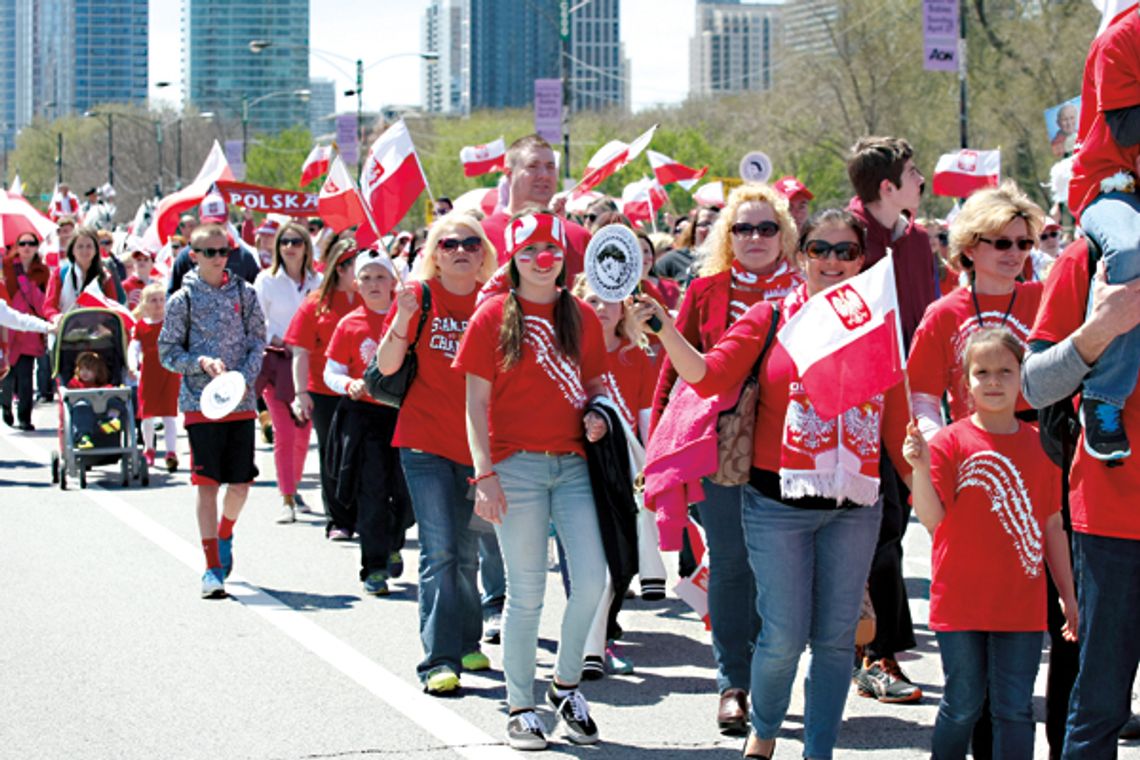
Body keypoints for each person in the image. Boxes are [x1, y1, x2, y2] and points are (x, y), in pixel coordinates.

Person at [638, 208, 912, 760]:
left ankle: (819, 751)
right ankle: (763, 737)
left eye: (846, 251)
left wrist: (933, 492)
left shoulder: (880, 321)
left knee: (835, 642)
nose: (833, 262)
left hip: (853, 507)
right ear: (801, 256)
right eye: (820, 250)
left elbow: (898, 422)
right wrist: (663, 327)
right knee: (783, 638)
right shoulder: (770, 317)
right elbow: (709, 375)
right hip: (776, 506)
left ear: (863, 260)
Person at [649, 182, 802, 736]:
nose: (755, 238)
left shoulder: (809, 289)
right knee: (733, 563)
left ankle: (771, 675)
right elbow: (675, 364)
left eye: (766, 228)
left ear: (784, 234)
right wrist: (660, 436)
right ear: (727, 236)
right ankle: (733, 683)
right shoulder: (707, 288)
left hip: (794, 448)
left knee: (778, 567)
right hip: (721, 450)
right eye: (743, 228)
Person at [454, 209, 609, 750]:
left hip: (573, 467)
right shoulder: (491, 316)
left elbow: (594, 383)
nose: (543, 261)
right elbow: (474, 403)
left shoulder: (583, 315)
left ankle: (566, 686)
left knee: (592, 581)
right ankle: (521, 705)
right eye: (529, 252)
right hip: (513, 467)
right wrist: (484, 474)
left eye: (551, 251)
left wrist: (598, 412)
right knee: (526, 593)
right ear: (514, 261)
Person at [903, 327, 1077, 760]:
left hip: (1020, 605)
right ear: (966, 382)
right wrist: (921, 468)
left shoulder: (1042, 447)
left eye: (1005, 370)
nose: (994, 381)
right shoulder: (949, 442)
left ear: (1022, 377)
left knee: (1015, 710)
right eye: (982, 372)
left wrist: (1070, 598)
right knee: (961, 706)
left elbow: (1052, 525)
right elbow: (932, 519)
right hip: (960, 603)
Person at [1022, 231, 1140, 757]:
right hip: (1114, 518)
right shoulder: (1093, 254)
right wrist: (1100, 329)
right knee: (1100, 707)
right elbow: (1036, 385)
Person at [375, 213, 497, 694]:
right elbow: (385, 366)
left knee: (467, 553)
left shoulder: (497, 302)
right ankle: (438, 660)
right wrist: (402, 317)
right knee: (440, 550)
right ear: (434, 253)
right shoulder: (419, 297)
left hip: (481, 448)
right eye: (449, 243)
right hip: (423, 443)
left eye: (471, 242)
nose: (460, 250)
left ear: (483, 251)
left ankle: (466, 639)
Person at [846, 136, 937, 703]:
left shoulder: (917, 240)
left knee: (893, 525)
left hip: (902, 403)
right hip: (849, 402)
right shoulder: (844, 239)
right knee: (874, 529)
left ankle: (874, 650)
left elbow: (924, 324)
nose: (921, 181)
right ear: (888, 186)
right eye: (913, 173)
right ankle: (872, 651)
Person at [158, 222, 267, 599]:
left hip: (241, 402)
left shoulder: (245, 292)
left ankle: (224, 535)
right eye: (210, 252)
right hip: (200, 404)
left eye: (225, 251)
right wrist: (201, 363)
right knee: (207, 485)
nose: (219, 258)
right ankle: (211, 567)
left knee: (240, 484)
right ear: (194, 256)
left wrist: (243, 377)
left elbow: (258, 341)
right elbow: (167, 352)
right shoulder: (181, 301)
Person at [1062, 7, 1140, 462]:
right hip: (1111, 182)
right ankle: (1104, 397)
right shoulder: (1121, 38)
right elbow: (1127, 127)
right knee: (1131, 249)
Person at [908, 183, 1046, 437]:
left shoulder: (1046, 299)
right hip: (973, 450)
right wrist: (939, 447)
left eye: (1024, 243)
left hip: (1044, 450)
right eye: (1002, 243)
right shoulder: (942, 314)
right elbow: (922, 400)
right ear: (970, 247)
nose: (1015, 253)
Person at [572, 272, 655, 675]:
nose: (601, 308)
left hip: (621, 470)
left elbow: (644, 420)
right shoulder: (566, 351)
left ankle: (602, 633)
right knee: (589, 562)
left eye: (610, 300)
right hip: (575, 466)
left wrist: (653, 467)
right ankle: (591, 644)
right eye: (591, 299)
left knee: (622, 562)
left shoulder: (635, 356)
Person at [324, 249, 412, 596]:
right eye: (366, 278)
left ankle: (394, 539)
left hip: (405, 415)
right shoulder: (349, 324)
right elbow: (332, 371)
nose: (374, 284)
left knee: (405, 492)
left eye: (380, 277)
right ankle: (373, 567)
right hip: (366, 418)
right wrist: (349, 385)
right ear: (356, 283)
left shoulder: (407, 317)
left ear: (393, 281)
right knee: (371, 491)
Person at [285, 238, 358, 540]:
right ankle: (338, 519)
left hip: (366, 390)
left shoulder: (378, 296)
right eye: (357, 264)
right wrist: (301, 394)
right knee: (334, 452)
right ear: (341, 268)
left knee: (366, 453)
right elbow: (300, 351)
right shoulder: (317, 303)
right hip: (325, 391)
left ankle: (366, 514)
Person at [254, 222, 322, 524]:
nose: (290, 247)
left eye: (296, 241)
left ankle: (294, 489)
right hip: (276, 362)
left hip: (308, 363)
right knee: (283, 430)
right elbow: (256, 322)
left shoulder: (318, 281)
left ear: (306, 246)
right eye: (285, 242)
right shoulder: (266, 281)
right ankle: (286, 496)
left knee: (303, 433)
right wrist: (277, 339)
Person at [479, 135, 591, 281]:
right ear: (509, 173)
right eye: (532, 166)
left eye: (550, 167)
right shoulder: (481, 237)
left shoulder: (578, 237)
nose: (544, 175)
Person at [2, 232, 51, 431]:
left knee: (25, 375)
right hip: (7, 326)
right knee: (6, 372)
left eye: (32, 243)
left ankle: (24, 417)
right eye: (22, 243)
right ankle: (5, 404)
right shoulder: (5, 267)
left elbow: (46, 300)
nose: (27, 247)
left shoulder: (43, 271)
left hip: (29, 327)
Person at [129, 283, 181, 471]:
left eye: (161, 300)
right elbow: (133, 348)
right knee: (147, 416)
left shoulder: (171, 324)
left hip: (169, 373)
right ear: (145, 304)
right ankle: (149, 449)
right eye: (153, 300)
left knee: (169, 416)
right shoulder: (140, 326)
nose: (158, 304)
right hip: (148, 374)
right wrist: (133, 365)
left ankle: (171, 452)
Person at [43, 227, 125, 320]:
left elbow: (113, 308)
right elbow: (49, 306)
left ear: (95, 250)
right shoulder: (60, 273)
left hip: (97, 330)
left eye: (89, 246)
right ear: (72, 250)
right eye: (80, 246)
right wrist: (56, 318)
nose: (84, 251)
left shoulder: (105, 276)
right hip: (65, 328)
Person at [66, 351, 128, 450]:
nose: (85, 372)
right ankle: (83, 437)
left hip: (102, 417)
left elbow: (112, 391)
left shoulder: (103, 386)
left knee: (114, 399)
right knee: (81, 406)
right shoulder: (75, 384)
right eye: (82, 369)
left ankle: (112, 420)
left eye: (89, 370)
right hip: (84, 418)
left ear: (98, 372)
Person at [655, 205, 719, 284]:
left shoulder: (729, 262)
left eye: (717, 225)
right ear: (693, 230)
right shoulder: (671, 260)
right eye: (704, 224)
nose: (711, 229)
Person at [1031, 218, 1065, 282]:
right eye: (1043, 237)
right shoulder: (1030, 262)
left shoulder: (1067, 256)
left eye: (1053, 234)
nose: (1050, 240)